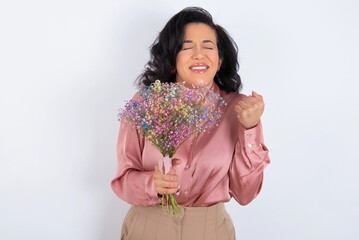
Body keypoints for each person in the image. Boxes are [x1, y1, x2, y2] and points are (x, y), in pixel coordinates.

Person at [111, 7, 270, 240]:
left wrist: (250, 130)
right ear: (172, 60)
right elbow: (122, 181)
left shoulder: (240, 110)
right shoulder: (145, 104)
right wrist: (151, 184)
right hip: (149, 227)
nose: (199, 54)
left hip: (210, 230)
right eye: (186, 47)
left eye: (208, 47)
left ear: (220, 59)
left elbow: (245, 194)